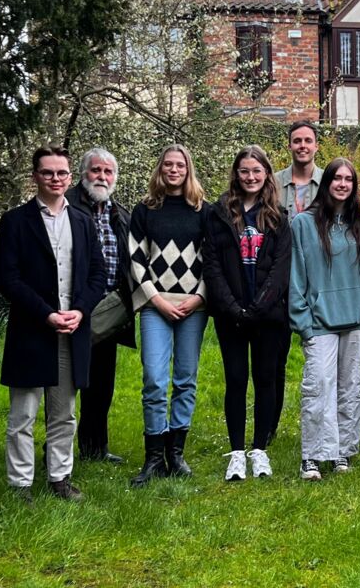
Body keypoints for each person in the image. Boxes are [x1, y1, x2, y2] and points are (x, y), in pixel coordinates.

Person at [0, 146, 109, 503]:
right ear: (35, 177)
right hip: (32, 329)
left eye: (61, 173)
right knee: (23, 416)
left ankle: (60, 477)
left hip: (72, 331)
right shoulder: (15, 221)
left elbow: (97, 275)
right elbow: (8, 278)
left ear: (70, 178)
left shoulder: (82, 221)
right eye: (48, 173)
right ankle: (20, 485)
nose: (55, 179)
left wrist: (80, 311)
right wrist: (46, 312)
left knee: (64, 413)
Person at [202, 146, 294, 481]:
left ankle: (260, 450)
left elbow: (281, 270)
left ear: (267, 174)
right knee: (236, 380)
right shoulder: (219, 214)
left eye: (257, 171)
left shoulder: (278, 217)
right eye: (244, 171)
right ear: (236, 174)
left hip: (269, 316)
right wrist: (233, 308)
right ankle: (237, 452)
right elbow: (212, 267)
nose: (251, 177)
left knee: (266, 379)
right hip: (231, 316)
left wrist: (257, 308)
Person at [128, 144, 210, 488]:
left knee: (185, 379)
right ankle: (153, 457)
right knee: (154, 379)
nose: (173, 170)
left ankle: (176, 454)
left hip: (193, 306)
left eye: (180, 165)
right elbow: (135, 258)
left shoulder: (203, 211)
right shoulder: (145, 210)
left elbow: (214, 259)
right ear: (159, 169)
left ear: (188, 170)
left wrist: (200, 297)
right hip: (155, 305)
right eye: (168, 165)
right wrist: (156, 299)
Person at [288, 158, 360, 481]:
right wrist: (303, 322)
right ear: (326, 184)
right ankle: (312, 455)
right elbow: (296, 275)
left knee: (350, 388)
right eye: (336, 178)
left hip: (356, 322)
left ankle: (343, 451)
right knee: (318, 387)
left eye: (348, 179)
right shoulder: (303, 225)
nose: (342, 184)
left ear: (353, 186)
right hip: (319, 322)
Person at [71, 147, 135, 465]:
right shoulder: (68, 206)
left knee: (101, 385)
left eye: (108, 172)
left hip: (109, 311)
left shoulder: (121, 214)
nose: (102, 177)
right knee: (67, 385)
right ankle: (56, 452)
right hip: (74, 309)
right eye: (96, 170)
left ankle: (95, 447)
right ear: (84, 173)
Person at [277, 121, 325, 216]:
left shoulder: (327, 181)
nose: (303, 145)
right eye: (297, 141)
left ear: (316, 146)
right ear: (289, 146)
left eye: (308, 140)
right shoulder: (274, 182)